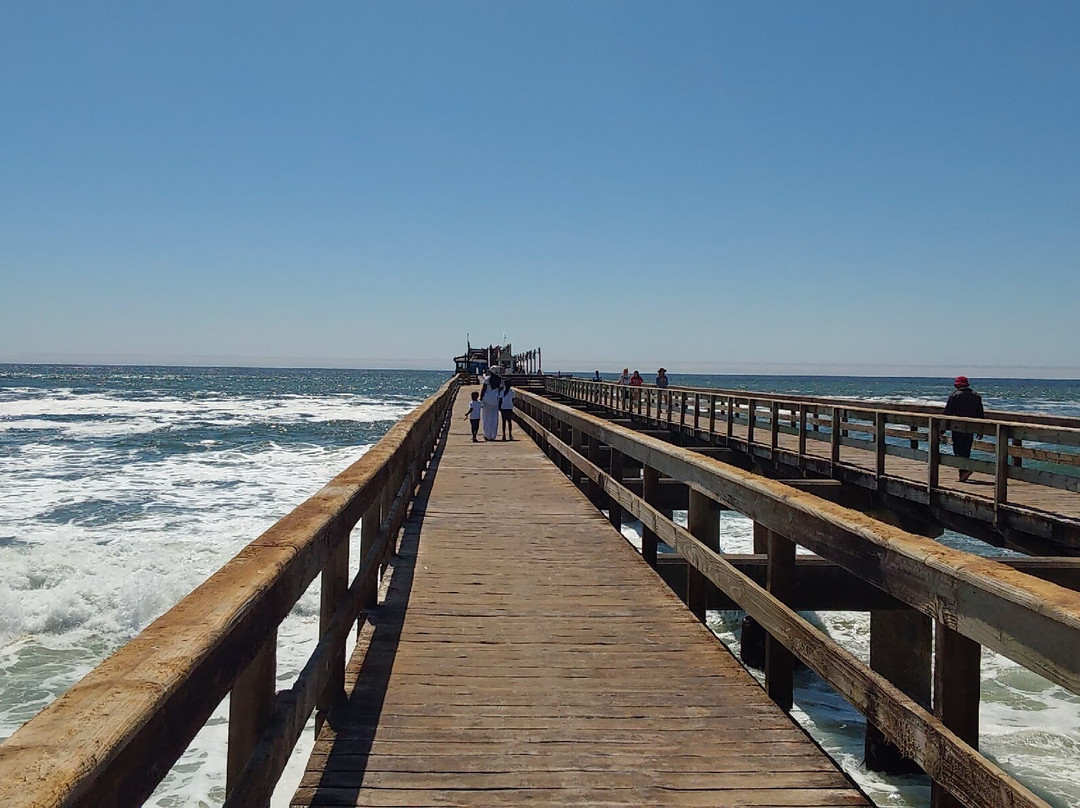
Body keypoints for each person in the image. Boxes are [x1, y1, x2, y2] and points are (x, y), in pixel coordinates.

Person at [943, 375, 984, 481]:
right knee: (966, 450)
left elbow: (947, 413)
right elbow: (980, 415)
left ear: (956, 385)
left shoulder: (955, 396)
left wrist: (942, 429)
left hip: (958, 427)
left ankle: (964, 471)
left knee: (958, 450)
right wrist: (980, 430)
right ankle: (963, 472)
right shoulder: (976, 396)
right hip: (971, 427)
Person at [480, 372, 502, 441]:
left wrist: (481, 398)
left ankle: (486, 434)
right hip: (495, 400)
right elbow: (500, 391)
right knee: (494, 418)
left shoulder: (487, 379)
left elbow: (483, 389)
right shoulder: (500, 380)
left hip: (486, 399)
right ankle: (493, 435)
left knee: (486, 417)